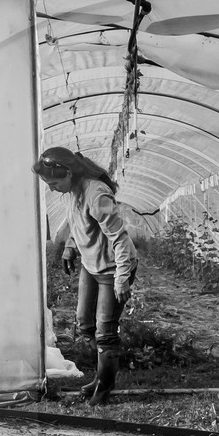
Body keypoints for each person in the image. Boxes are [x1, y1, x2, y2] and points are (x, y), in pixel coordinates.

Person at [34, 145, 138, 405]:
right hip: (91, 266)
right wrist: (70, 249)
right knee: (84, 323)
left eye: (53, 182)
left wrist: (122, 278)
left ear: (69, 173)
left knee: (105, 330)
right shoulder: (72, 191)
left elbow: (120, 238)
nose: (51, 187)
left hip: (113, 268)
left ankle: (104, 387)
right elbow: (75, 222)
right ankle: (99, 377)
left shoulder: (96, 194)